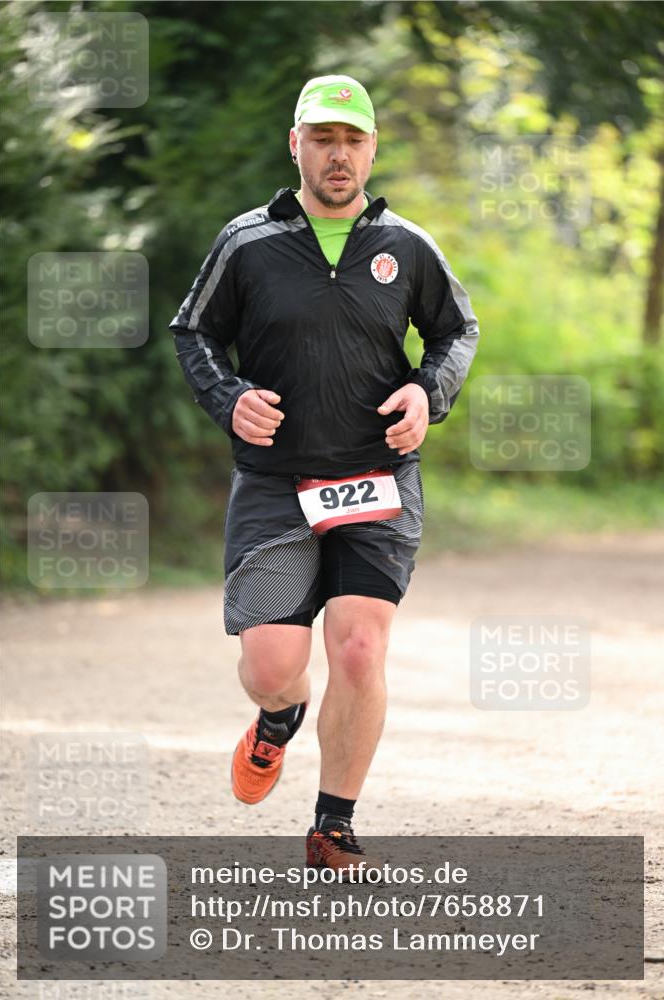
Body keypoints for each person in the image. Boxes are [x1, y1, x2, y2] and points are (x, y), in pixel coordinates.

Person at [171, 75, 479, 876]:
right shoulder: (247, 242)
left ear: (372, 148)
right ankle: (277, 723)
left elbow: (456, 330)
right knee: (273, 667)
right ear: (295, 145)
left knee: (356, 648)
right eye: (322, 139)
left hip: (376, 477)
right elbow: (193, 332)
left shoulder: (407, 245)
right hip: (277, 484)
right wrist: (228, 397)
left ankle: (332, 828)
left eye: (352, 141)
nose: (338, 156)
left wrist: (426, 388)